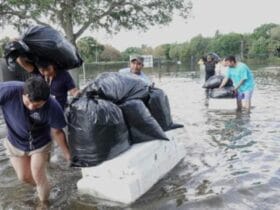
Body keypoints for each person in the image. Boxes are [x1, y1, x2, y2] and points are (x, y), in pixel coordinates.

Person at [0, 77, 70, 203]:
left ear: (45, 100)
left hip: (40, 143)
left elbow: (58, 132)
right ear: (23, 93)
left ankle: (44, 204)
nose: (32, 107)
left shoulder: (53, 107)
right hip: (15, 141)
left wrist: (67, 154)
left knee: (38, 174)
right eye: (28, 103)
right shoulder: (7, 91)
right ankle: (46, 185)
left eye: (37, 105)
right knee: (24, 177)